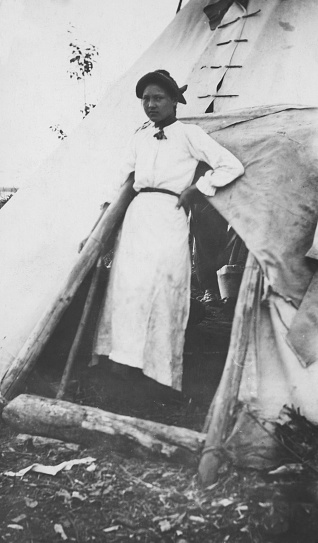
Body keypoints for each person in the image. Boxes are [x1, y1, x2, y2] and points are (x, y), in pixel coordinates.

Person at [90, 69, 244, 391]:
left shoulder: (190, 134)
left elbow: (231, 165)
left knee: (162, 287)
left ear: (175, 101)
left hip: (169, 214)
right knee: (130, 287)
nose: (151, 104)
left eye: (158, 97)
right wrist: (105, 214)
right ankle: (123, 363)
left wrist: (197, 190)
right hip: (136, 217)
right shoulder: (140, 136)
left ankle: (158, 371)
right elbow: (123, 179)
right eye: (146, 98)